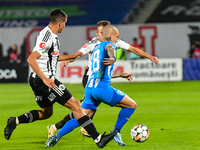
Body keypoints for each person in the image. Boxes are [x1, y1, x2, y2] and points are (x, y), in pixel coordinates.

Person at [4, 9, 117, 148]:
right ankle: (99, 139)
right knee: (76, 105)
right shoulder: (47, 37)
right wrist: (45, 79)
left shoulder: (51, 35)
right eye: (64, 24)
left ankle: (15, 121)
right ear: (60, 23)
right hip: (45, 81)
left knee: (46, 113)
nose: (64, 26)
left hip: (37, 80)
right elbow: (31, 59)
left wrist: (70, 57)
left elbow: (51, 56)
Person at [47, 20, 159, 146]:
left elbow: (101, 71)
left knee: (83, 116)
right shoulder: (109, 43)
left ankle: (56, 136)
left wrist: (121, 74)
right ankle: (116, 132)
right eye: (116, 37)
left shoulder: (96, 48)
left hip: (90, 88)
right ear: (110, 35)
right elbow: (110, 48)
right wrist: (113, 57)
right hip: (101, 89)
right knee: (131, 105)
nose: (117, 39)